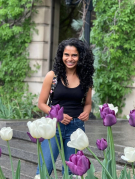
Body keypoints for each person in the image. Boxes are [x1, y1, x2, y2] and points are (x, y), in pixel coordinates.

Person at [35, 38, 94, 177]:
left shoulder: (86, 78)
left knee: (72, 172)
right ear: (61, 55)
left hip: (76, 127)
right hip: (53, 127)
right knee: (46, 167)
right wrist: (58, 116)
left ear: (80, 57)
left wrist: (86, 112)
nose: (70, 58)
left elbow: (87, 103)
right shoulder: (52, 76)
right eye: (66, 54)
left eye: (74, 55)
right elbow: (41, 103)